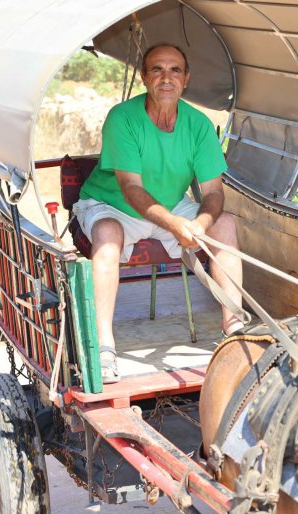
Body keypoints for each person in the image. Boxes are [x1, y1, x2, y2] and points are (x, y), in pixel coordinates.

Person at [73, 43, 244, 384]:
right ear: (144, 77)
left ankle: (234, 328)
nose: (167, 78)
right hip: (112, 203)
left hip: (168, 205)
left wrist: (200, 223)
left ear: (186, 79)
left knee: (224, 222)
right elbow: (131, 189)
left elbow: (213, 192)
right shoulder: (123, 118)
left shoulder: (198, 125)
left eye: (175, 70)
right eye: (157, 70)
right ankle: (104, 345)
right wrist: (176, 224)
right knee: (108, 235)